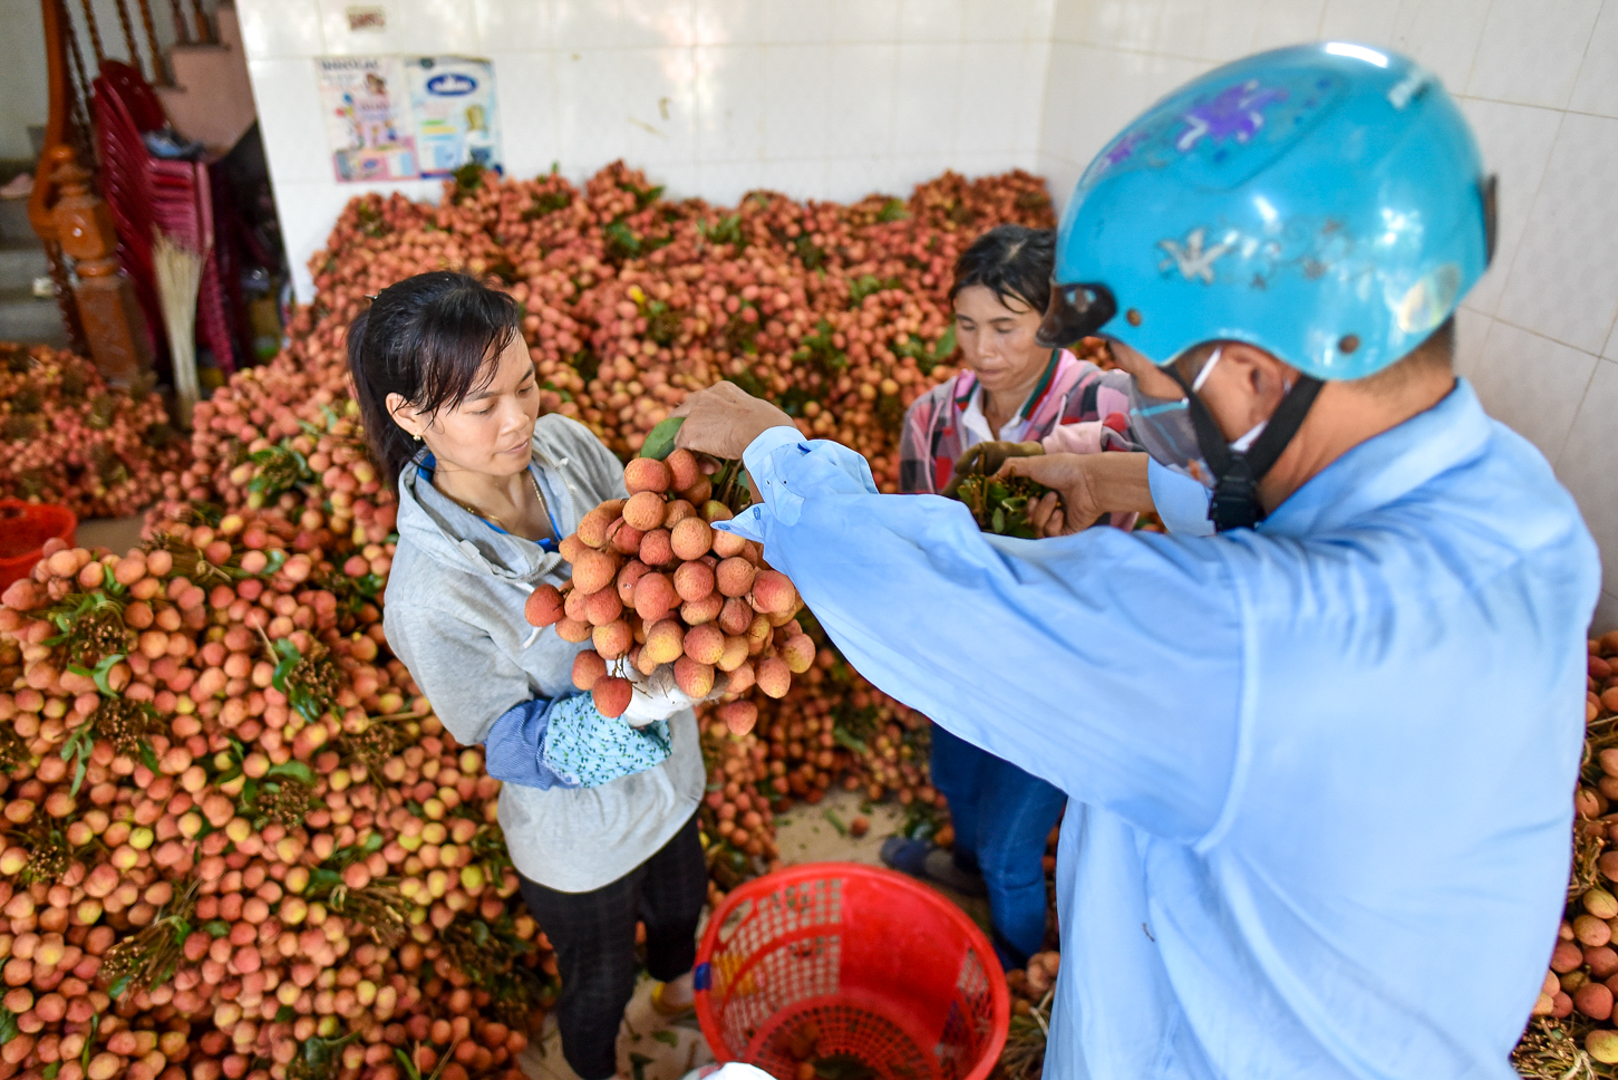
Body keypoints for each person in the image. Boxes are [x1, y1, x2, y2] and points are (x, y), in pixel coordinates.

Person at [670, 44, 1600, 1080]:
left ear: (1248, 374)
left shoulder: (1268, 650)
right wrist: (1117, 480)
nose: (1133, 401)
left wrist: (778, 457)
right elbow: (1269, 512)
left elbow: (953, 606)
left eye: (1138, 374)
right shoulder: (1519, 509)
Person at [350, 272, 707, 1080]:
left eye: (528, 384)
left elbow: (642, 542)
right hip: (577, 842)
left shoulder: (569, 446)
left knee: (684, 909)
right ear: (408, 415)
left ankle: (684, 1001)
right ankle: (600, 1066)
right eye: (482, 406)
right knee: (599, 982)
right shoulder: (425, 596)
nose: (519, 420)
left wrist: (702, 601)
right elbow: (508, 744)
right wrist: (646, 699)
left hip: (675, 782)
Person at [884, 224, 1135, 971]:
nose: (983, 349)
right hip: (960, 659)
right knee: (956, 781)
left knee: (1010, 848)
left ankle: (1010, 964)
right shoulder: (930, 416)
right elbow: (914, 535)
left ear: (1049, 320)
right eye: (967, 326)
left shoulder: (1108, 404)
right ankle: (960, 868)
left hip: (1061, 675)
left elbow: (1133, 535)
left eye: (1006, 327)